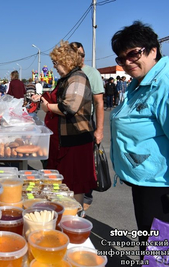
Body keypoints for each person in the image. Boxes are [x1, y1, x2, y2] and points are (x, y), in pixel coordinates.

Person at [110, 21, 169, 253]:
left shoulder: (166, 85)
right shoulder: (138, 85)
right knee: (150, 248)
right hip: (145, 184)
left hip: (163, 188)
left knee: (160, 254)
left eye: (133, 53)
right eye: (121, 58)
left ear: (153, 50)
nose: (127, 61)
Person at [32, 41, 96, 209]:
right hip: (67, 140)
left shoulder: (78, 78)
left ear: (67, 60)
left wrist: (48, 107)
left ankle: (74, 217)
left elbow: (70, 107)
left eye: (56, 63)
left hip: (76, 140)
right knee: (67, 183)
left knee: (75, 184)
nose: (55, 67)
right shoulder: (67, 78)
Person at [70, 42, 105, 210]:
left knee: (86, 167)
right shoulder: (67, 74)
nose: (80, 58)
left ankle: (85, 205)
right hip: (67, 126)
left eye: (82, 55)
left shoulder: (92, 73)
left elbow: (99, 103)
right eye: (77, 54)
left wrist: (99, 130)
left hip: (85, 124)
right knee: (71, 167)